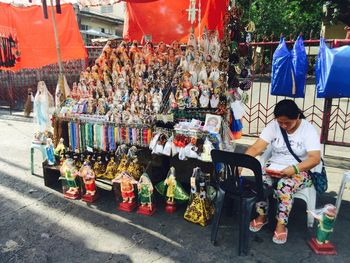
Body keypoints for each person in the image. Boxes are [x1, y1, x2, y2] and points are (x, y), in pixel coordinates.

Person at [244, 99, 321, 244]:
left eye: (288, 122)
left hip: (300, 170)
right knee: (260, 181)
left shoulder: (308, 129)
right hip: (275, 167)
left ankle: (281, 224)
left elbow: (315, 158)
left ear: (297, 116)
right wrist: (242, 162)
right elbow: (256, 148)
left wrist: (294, 169)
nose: (284, 126)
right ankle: (262, 215)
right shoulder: (273, 126)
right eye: (280, 122)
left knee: (284, 186)